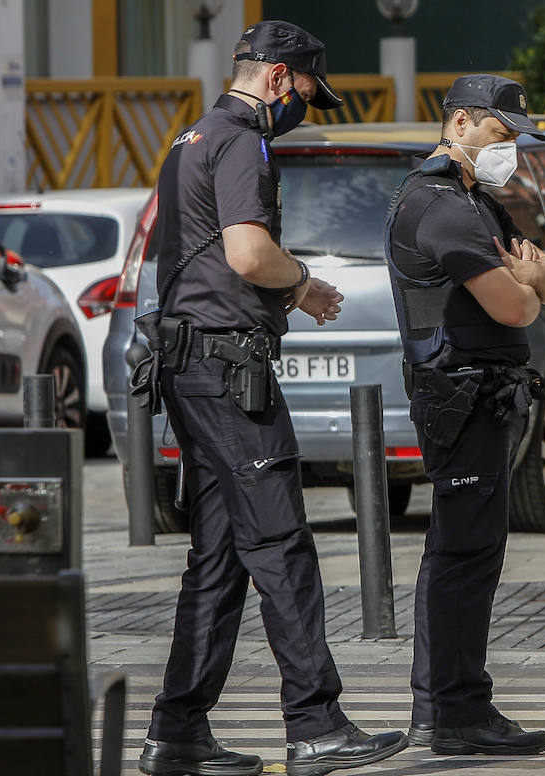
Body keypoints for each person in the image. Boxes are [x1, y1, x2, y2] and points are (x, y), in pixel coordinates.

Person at [135, 20, 407, 776]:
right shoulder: (241, 141)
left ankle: (177, 733)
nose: (305, 109)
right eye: (309, 92)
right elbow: (248, 252)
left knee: (220, 556)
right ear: (282, 78)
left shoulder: (188, 138)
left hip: (194, 368)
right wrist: (304, 284)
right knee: (283, 542)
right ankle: (315, 724)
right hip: (227, 373)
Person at [385, 74, 545, 756]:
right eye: (501, 132)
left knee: (466, 552)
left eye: (516, 137)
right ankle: (456, 713)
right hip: (460, 393)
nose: (510, 147)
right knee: (463, 555)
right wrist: (529, 285)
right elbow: (517, 305)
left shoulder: (474, 202)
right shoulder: (442, 206)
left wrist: (533, 280)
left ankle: (449, 707)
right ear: (460, 123)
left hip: (479, 393)